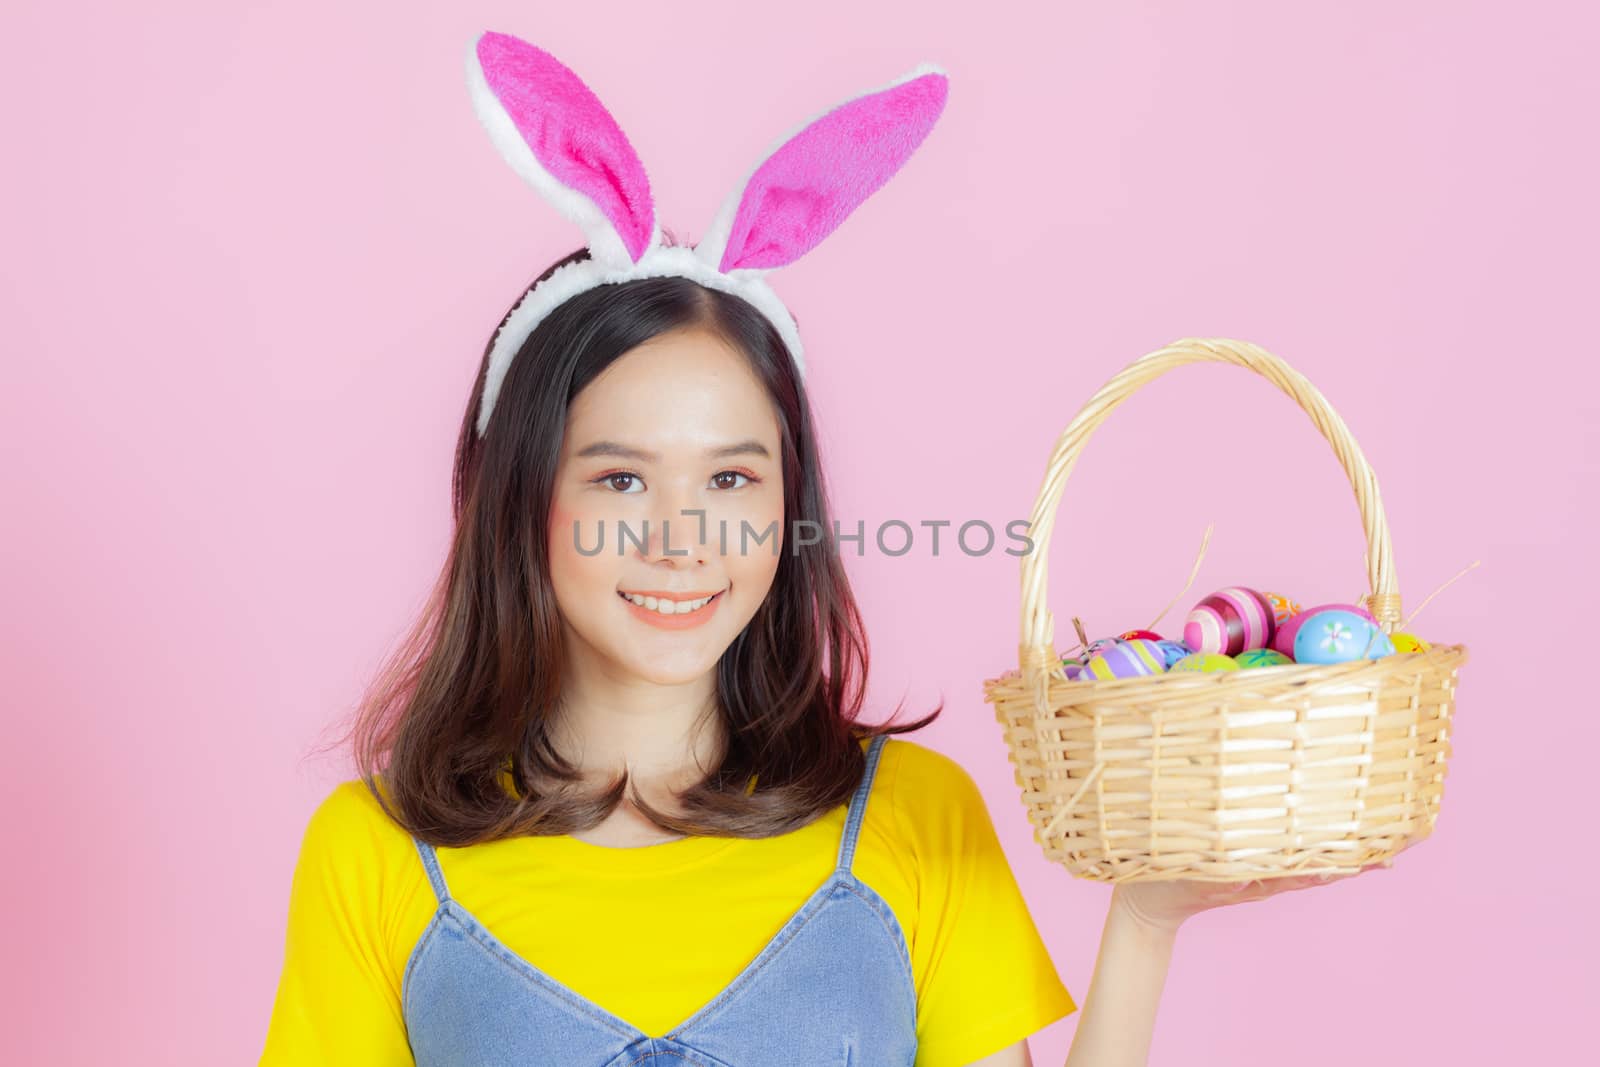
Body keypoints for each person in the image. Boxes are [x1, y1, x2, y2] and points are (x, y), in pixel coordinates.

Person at [260, 32, 1385, 1067]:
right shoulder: (373, 850)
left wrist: (1141, 924)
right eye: (617, 477)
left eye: (733, 478)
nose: (682, 537)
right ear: (516, 500)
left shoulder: (909, 816)